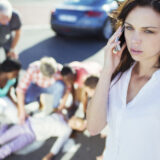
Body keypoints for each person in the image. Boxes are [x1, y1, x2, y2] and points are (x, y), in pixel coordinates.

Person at [87, 0, 160, 160]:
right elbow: (93, 128)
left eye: (148, 31)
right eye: (129, 28)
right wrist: (107, 71)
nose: (134, 40)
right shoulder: (119, 74)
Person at [0, 113, 72, 160]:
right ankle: (4, 125)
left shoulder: (67, 130)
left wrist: (51, 154)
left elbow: (59, 142)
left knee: (10, 148)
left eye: (80, 125)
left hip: (32, 134)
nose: (78, 122)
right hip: (27, 123)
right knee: (1, 139)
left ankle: (4, 125)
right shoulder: (62, 114)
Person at [16, 57, 63, 124]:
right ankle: (35, 106)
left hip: (50, 87)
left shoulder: (59, 69)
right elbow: (20, 89)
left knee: (60, 86)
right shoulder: (33, 68)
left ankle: (55, 109)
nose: (47, 78)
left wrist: (61, 107)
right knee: (27, 100)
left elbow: (67, 86)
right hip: (36, 86)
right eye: (45, 77)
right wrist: (21, 110)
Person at [0, 58, 21, 131]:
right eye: (15, 74)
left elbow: (9, 94)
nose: (16, 76)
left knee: (18, 119)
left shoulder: (12, 80)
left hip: (4, 99)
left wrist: (19, 107)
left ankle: (3, 122)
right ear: (6, 71)